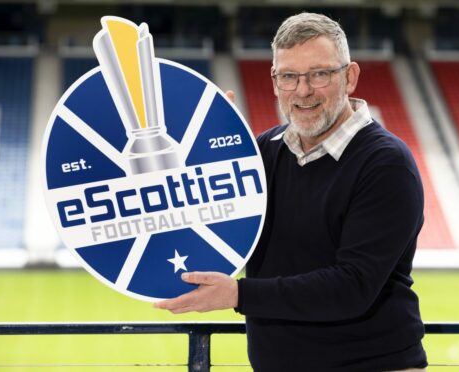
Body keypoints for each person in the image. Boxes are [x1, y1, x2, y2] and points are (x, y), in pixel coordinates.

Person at [155, 12, 428, 372]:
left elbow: (352, 286)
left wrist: (238, 294)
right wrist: (204, 152)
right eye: (289, 76)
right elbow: (207, 218)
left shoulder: (385, 164)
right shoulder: (263, 151)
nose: (303, 90)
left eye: (320, 74)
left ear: (350, 77)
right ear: (273, 82)